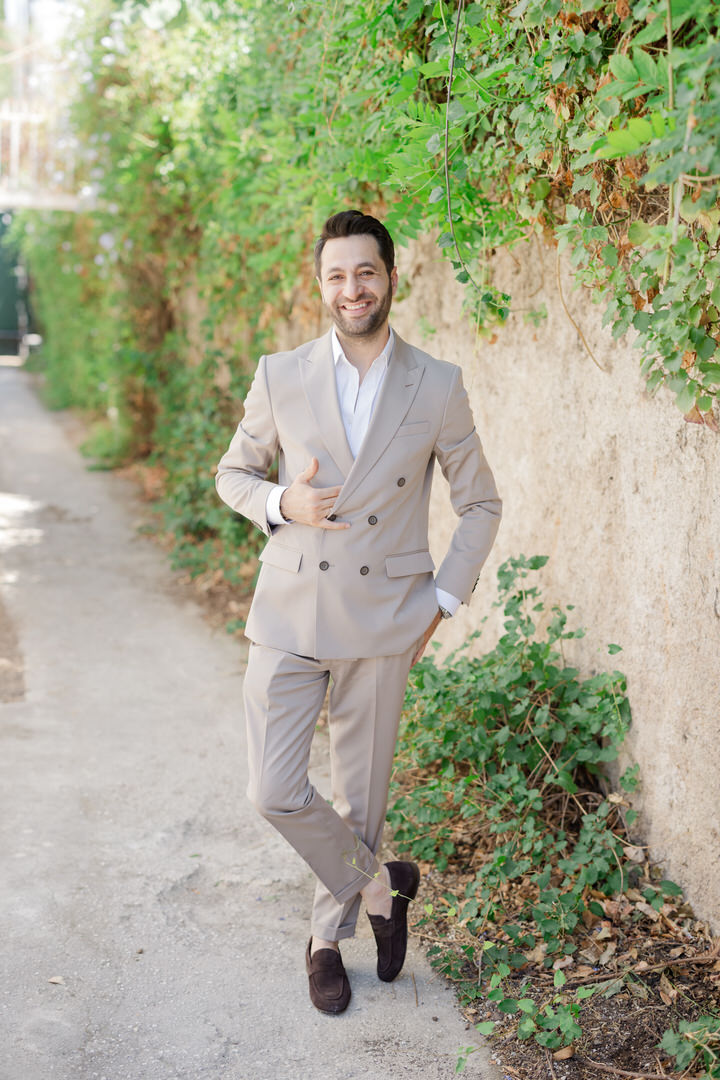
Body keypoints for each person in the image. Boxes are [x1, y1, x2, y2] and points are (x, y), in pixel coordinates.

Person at [215, 209, 501, 1014]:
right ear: (321, 284)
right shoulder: (281, 373)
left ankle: (324, 941)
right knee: (273, 788)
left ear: (391, 279)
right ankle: (380, 886)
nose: (353, 289)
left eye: (366, 272)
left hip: (384, 617)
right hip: (289, 608)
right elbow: (234, 474)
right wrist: (284, 502)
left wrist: (442, 598)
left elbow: (480, 503)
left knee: (358, 800)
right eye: (337, 275)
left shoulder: (436, 384)